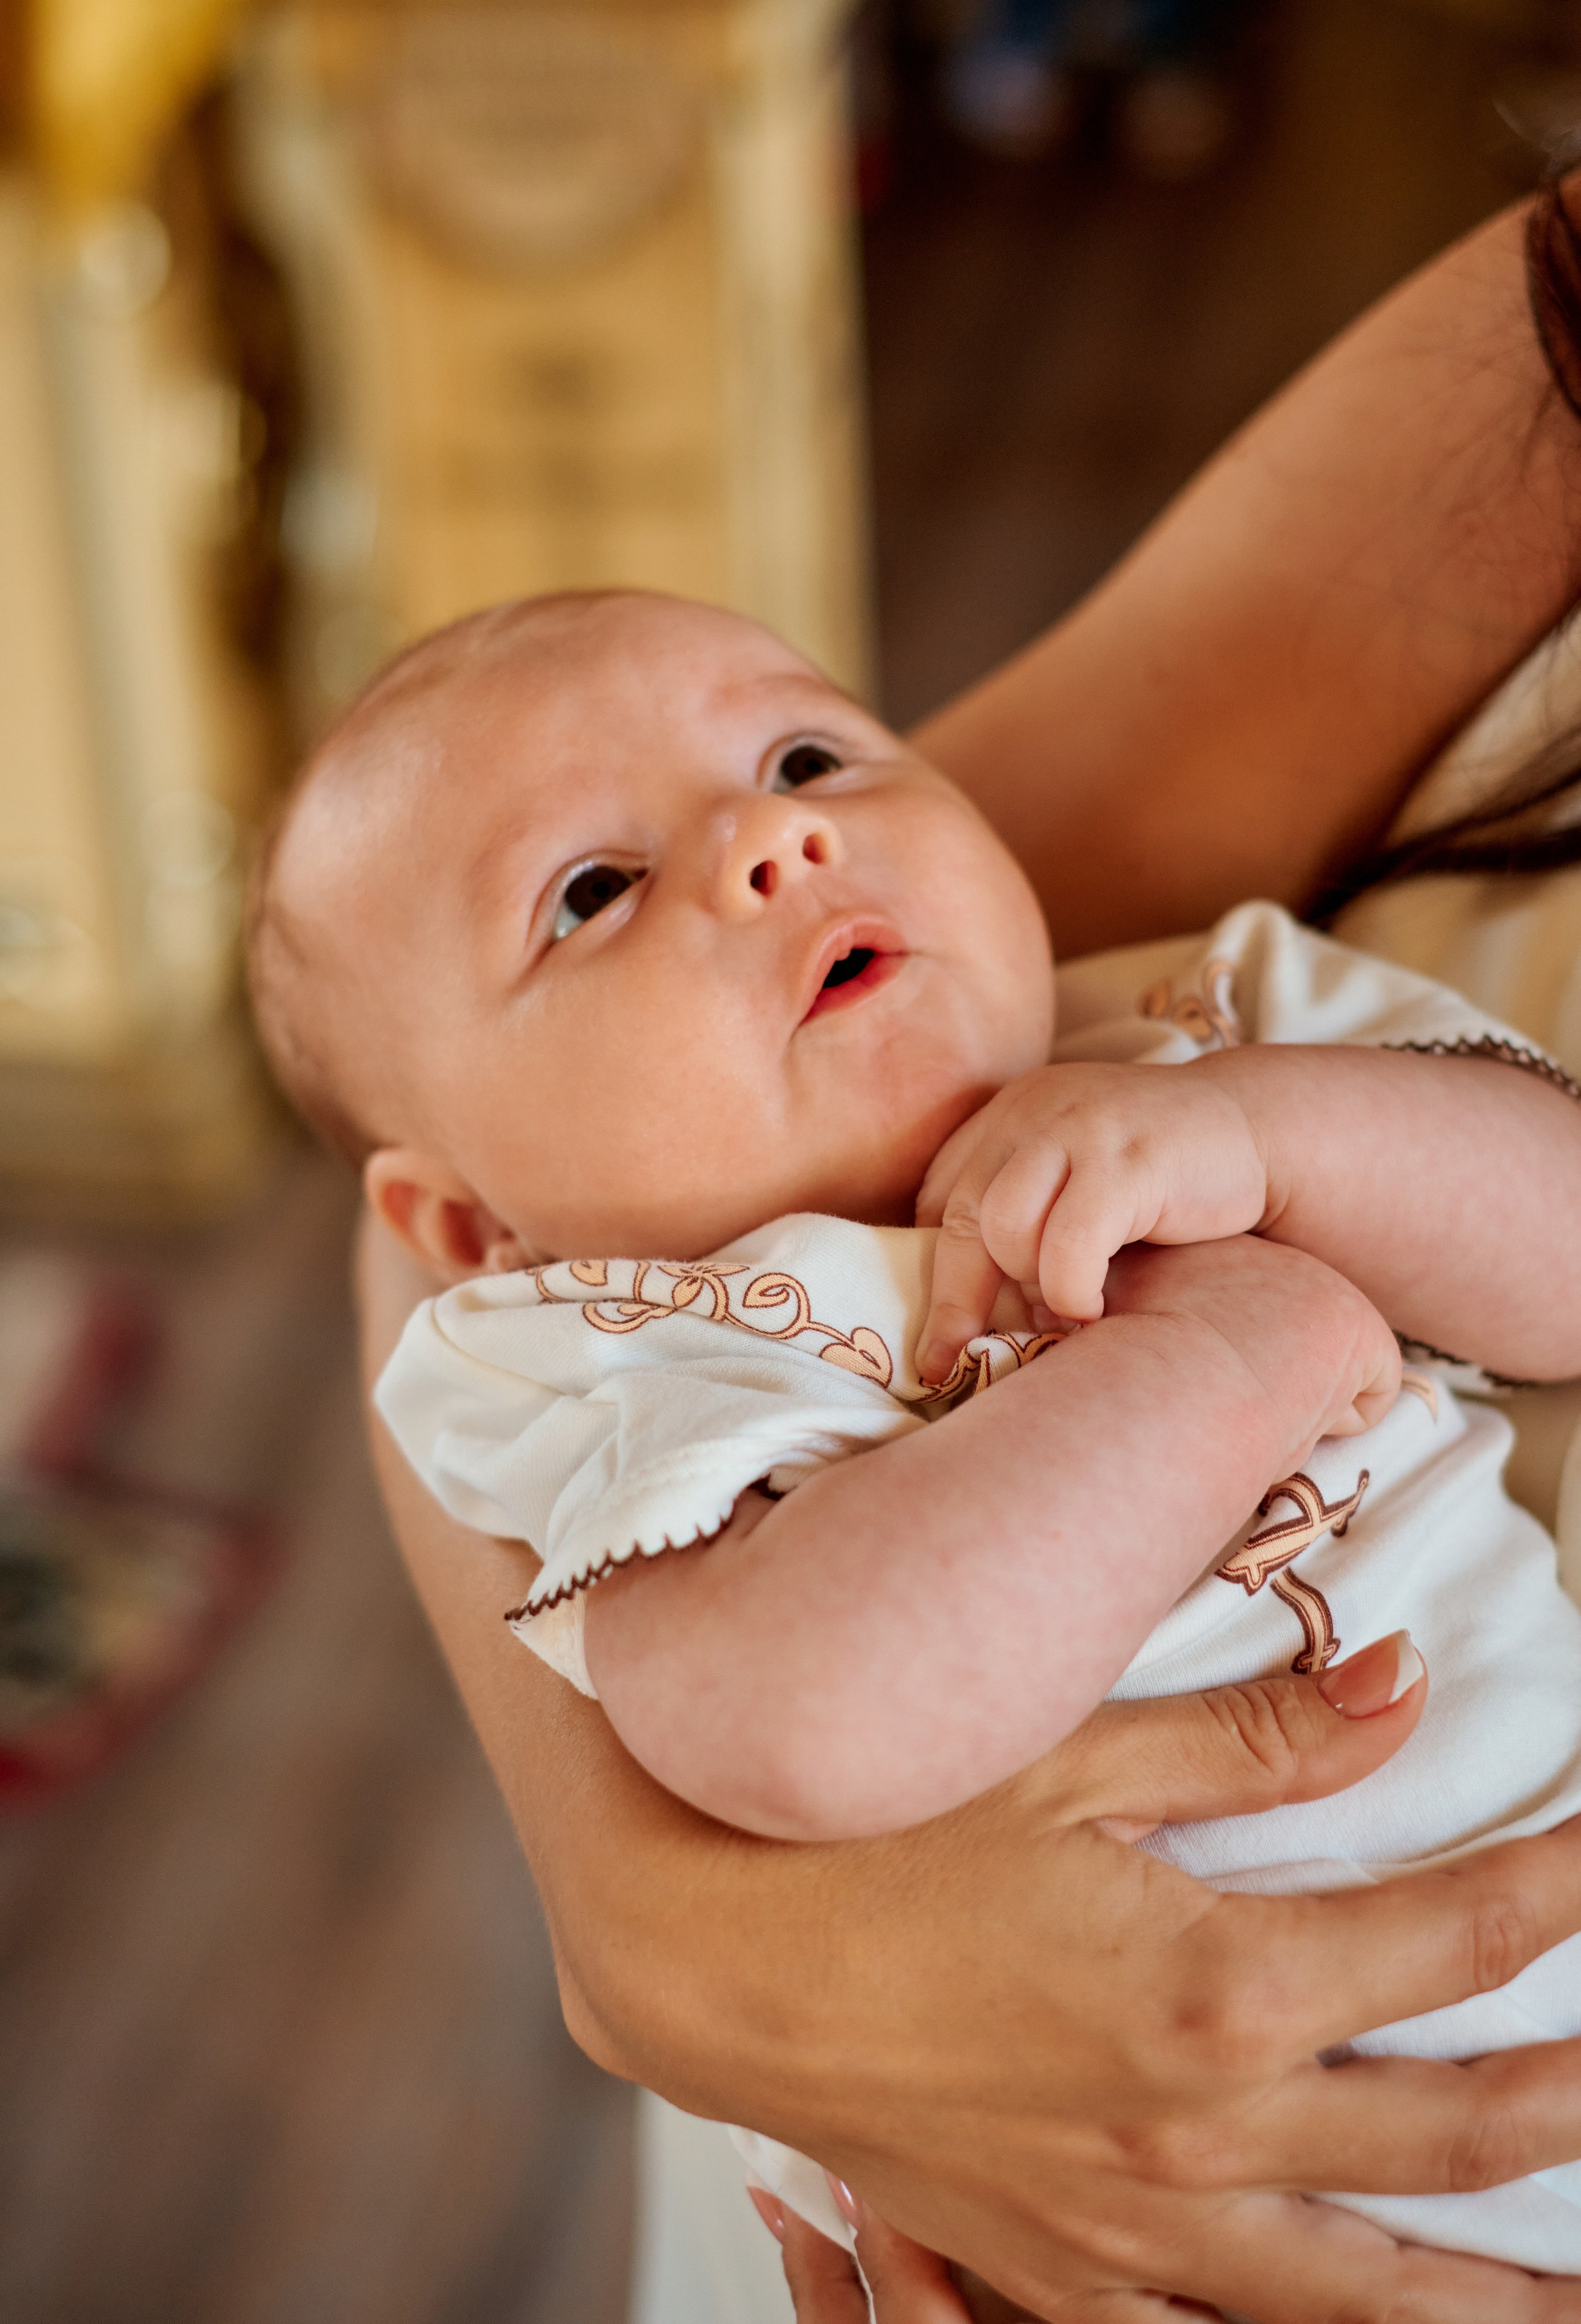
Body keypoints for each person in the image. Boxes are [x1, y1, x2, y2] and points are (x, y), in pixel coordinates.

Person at [348, 185, 1581, 2321]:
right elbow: (802, 1728)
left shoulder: (1204, 1021)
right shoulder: (659, 1351)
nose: (771, 831)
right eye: (589, 892)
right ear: (479, 1233)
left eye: (812, 752)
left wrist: (1264, 1141)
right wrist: (1229, 1355)